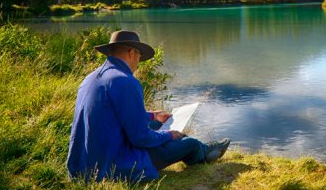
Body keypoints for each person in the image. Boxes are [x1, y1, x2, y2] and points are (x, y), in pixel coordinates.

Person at [67, 30, 230, 182]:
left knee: (157, 124)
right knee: (190, 143)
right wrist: (169, 135)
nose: (139, 62)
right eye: (139, 56)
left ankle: (200, 147)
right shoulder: (125, 81)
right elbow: (140, 138)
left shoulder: (91, 78)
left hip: (84, 164)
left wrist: (153, 115)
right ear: (131, 53)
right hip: (114, 166)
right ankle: (202, 151)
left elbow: (116, 116)